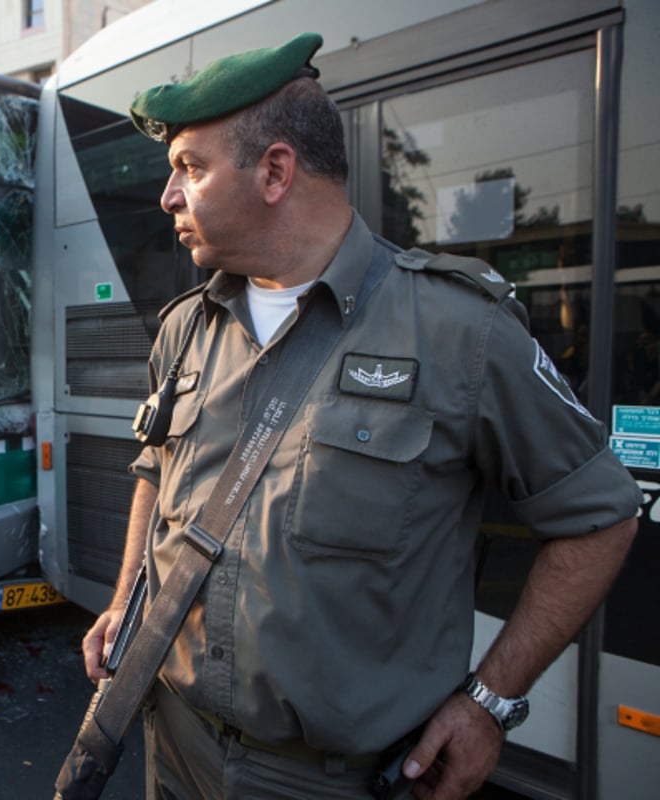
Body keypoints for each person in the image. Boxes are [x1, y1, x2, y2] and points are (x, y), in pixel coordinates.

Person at [79, 33, 640, 800]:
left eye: (189, 169)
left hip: (328, 783)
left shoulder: (457, 331)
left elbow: (602, 515)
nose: (168, 197)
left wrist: (489, 702)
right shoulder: (186, 328)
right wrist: (125, 602)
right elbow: (156, 470)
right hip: (171, 741)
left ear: (276, 170)